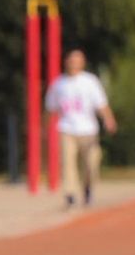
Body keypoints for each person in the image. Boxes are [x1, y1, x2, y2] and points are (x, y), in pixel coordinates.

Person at [43, 49, 117, 208]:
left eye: (77, 61)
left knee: (92, 163)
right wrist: (46, 128)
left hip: (88, 130)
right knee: (67, 163)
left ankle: (88, 187)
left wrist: (109, 119)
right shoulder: (58, 84)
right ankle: (70, 195)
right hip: (66, 129)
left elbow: (101, 104)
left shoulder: (90, 81)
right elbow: (50, 109)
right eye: (71, 61)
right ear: (66, 62)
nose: (74, 64)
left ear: (82, 63)